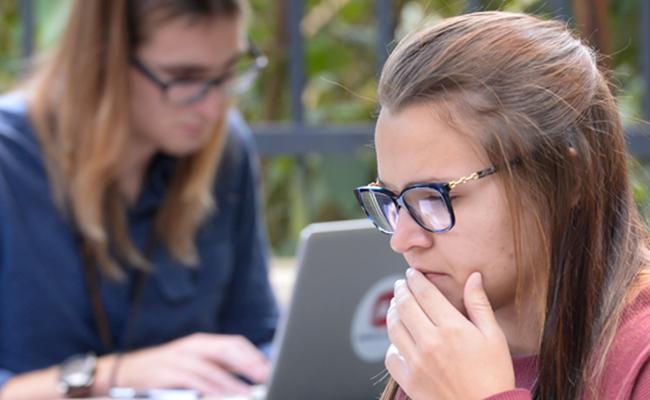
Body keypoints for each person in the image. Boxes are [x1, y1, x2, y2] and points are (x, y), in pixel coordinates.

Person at [354, 11, 650, 400]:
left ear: (569, 178)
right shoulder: (441, 354)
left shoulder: (638, 359)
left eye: (435, 197)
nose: (404, 239)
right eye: (391, 200)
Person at [0, 0, 278, 398]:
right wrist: (114, 374)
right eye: (184, 77)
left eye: (228, 73)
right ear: (103, 59)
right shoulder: (9, 162)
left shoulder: (225, 152)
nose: (214, 107)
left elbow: (258, 338)